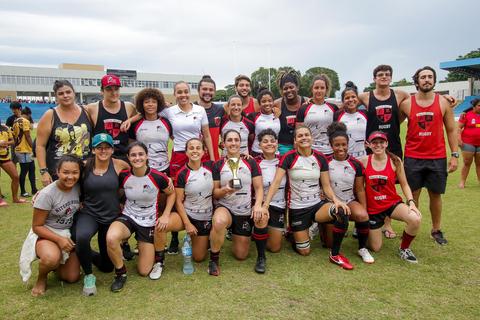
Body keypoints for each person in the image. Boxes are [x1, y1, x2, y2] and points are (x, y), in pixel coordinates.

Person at [263, 126, 351, 269]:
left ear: (312, 138)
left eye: (306, 135)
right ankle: (294, 233)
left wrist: (336, 201)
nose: (304, 138)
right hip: (297, 209)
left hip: (317, 205)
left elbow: (326, 186)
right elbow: (276, 183)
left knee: (341, 211)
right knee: (304, 251)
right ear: (295, 141)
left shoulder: (320, 157)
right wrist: (266, 205)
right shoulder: (288, 157)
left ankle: (334, 254)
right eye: (300, 136)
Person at [400, 66, 458, 245]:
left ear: (434, 80)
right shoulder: (407, 103)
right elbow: (393, 124)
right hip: (413, 156)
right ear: (416, 81)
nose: (426, 80)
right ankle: (412, 227)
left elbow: (450, 129)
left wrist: (454, 154)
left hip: (437, 157)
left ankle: (436, 229)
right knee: (413, 195)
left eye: (430, 77)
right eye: (423, 77)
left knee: (435, 194)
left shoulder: (443, 102)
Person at [106, 142, 175, 292]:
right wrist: (120, 204)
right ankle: (120, 274)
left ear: (147, 156)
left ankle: (147, 250)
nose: (137, 158)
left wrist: (166, 214)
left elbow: (171, 194)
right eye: (133, 155)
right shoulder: (123, 176)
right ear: (128, 158)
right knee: (111, 238)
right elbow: (115, 191)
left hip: (148, 222)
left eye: (140, 154)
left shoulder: (158, 176)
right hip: (129, 217)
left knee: (144, 271)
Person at [74, 133, 129, 296]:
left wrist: (123, 199)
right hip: (89, 213)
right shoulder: (84, 166)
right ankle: (89, 275)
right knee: (82, 237)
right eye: (99, 147)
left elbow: (136, 178)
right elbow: (66, 180)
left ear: (112, 149)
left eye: (106, 147)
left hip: (110, 216)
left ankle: (83, 252)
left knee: (106, 267)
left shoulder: (120, 165)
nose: (103, 151)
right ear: (93, 150)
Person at [20, 155, 83, 296]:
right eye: (65, 172)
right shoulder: (47, 194)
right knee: (50, 258)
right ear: (57, 171)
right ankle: (41, 278)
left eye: (75, 172)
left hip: (66, 232)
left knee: (72, 277)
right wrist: (59, 240)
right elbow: (37, 226)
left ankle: (56, 266)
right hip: (46, 232)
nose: (70, 177)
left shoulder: (78, 187)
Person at [208, 129, 267, 275]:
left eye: (236, 140)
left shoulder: (250, 162)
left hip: (244, 211)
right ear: (223, 143)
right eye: (229, 140)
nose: (233, 143)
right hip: (225, 207)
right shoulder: (217, 165)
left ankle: (261, 256)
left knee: (241, 255)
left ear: (241, 142)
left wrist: (258, 205)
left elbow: (259, 188)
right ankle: (214, 260)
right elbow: (215, 193)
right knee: (219, 221)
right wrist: (226, 189)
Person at [359, 131, 422, 263]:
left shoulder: (395, 160)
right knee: (375, 248)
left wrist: (411, 202)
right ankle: (365, 230)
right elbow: (358, 188)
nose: (378, 145)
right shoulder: (363, 162)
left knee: (415, 219)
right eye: (374, 143)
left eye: (381, 142)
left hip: (391, 204)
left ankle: (404, 248)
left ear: (386, 143)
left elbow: (404, 184)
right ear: (368, 145)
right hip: (373, 209)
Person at [154, 138, 214, 276]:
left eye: (198, 148)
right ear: (186, 152)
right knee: (160, 226)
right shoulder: (182, 173)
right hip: (187, 215)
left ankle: (197, 239)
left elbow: (229, 161)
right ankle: (159, 262)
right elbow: (179, 201)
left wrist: (246, 156)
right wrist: (187, 224)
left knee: (198, 258)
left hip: (205, 216)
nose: (194, 151)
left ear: (204, 151)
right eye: (191, 148)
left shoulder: (211, 166)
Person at [326, 122, 374, 264]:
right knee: (329, 242)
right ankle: (330, 244)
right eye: (337, 145)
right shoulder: (325, 161)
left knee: (361, 215)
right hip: (330, 202)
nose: (341, 148)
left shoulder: (356, 164)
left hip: (348, 200)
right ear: (331, 145)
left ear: (348, 144)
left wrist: (364, 210)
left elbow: (359, 189)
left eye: (343, 144)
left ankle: (362, 248)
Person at [36, 80, 92, 186]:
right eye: (61, 93)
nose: (65, 95)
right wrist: (44, 171)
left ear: (74, 93)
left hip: (84, 170)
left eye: (68, 92)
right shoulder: (50, 115)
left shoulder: (87, 111)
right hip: (59, 173)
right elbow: (40, 146)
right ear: (56, 97)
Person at [85, 74, 137, 160]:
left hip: (123, 158)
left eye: (116, 89)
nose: (114, 93)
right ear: (102, 91)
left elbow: (142, 114)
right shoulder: (92, 108)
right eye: (109, 89)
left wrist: (130, 120)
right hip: (101, 159)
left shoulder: (129, 107)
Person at [255, 129, 286, 253]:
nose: (269, 144)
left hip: (279, 205)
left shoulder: (284, 160)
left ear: (277, 143)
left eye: (272, 141)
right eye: (265, 141)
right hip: (261, 204)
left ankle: (264, 230)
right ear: (259, 145)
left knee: (274, 248)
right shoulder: (254, 162)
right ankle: (256, 227)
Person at [128, 88, 171, 174]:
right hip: (143, 169)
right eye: (147, 102)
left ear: (158, 104)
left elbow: (175, 141)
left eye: (154, 102)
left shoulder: (166, 122)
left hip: (165, 168)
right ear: (142, 104)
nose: (150, 104)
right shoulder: (135, 124)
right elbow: (131, 147)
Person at [296, 74, 338, 156]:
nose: (319, 90)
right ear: (312, 89)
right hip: (309, 152)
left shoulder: (334, 108)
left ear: (326, 90)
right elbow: (298, 133)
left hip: (329, 152)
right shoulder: (303, 109)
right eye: (316, 88)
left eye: (322, 88)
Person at [274, 70, 307, 155]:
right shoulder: (277, 104)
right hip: (283, 146)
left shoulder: (306, 102)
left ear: (297, 87)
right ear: (282, 91)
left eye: (291, 87)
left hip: (303, 145)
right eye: (285, 88)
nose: (289, 90)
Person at [334, 82, 368, 158]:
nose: (351, 100)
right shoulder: (337, 115)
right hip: (345, 159)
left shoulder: (365, 114)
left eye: (353, 97)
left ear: (358, 99)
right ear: (343, 101)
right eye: (347, 98)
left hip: (363, 157)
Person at [195, 75, 225, 161]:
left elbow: (224, 129)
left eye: (211, 90)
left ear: (214, 92)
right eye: (204, 89)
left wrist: (223, 141)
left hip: (214, 159)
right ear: (198, 90)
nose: (208, 92)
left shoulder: (220, 109)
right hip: (195, 159)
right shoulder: (191, 109)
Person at [12, 107, 37, 197]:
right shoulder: (25, 121)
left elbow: (15, 136)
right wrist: (33, 147)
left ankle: (34, 189)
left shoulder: (16, 121)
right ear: (29, 114)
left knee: (32, 169)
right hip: (24, 150)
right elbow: (27, 136)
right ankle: (23, 191)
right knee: (24, 171)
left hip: (21, 149)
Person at [247, 90, 281, 157]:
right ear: (259, 103)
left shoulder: (279, 115)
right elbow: (250, 135)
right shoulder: (253, 116)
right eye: (263, 101)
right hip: (257, 152)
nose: (267, 103)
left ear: (273, 102)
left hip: (274, 153)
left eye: (270, 101)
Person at [0, 122, 26, 204]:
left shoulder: (5, 128)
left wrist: (6, 143)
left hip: (5, 157)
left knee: (15, 177)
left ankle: (15, 199)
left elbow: (12, 141)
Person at [457, 98, 480, 188]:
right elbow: (459, 128)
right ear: (473, 107)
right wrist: (459, 139)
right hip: (468, 143)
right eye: (479, 105)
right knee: (467, 163)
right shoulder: (466, 115)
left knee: (479, 163)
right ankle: (462, 182)